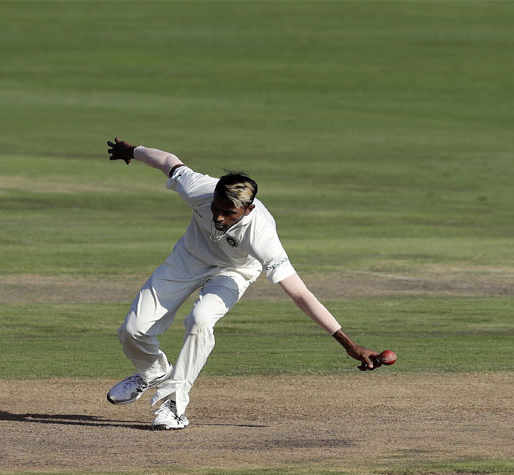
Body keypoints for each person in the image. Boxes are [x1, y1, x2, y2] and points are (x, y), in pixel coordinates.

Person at [106, 137, 384, 430]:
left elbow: (300, 294)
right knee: (132, 330)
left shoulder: (261, 234)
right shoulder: (198, 189)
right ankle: (156, 373)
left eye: (230, 213)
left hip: (234, 273)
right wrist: (133, 151)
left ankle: (174, 405)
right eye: (217, 208)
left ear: (248, 210)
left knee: (200, 320)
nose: (219, 217)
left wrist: (348, 344)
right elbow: (168, 161)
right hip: (187, 260)